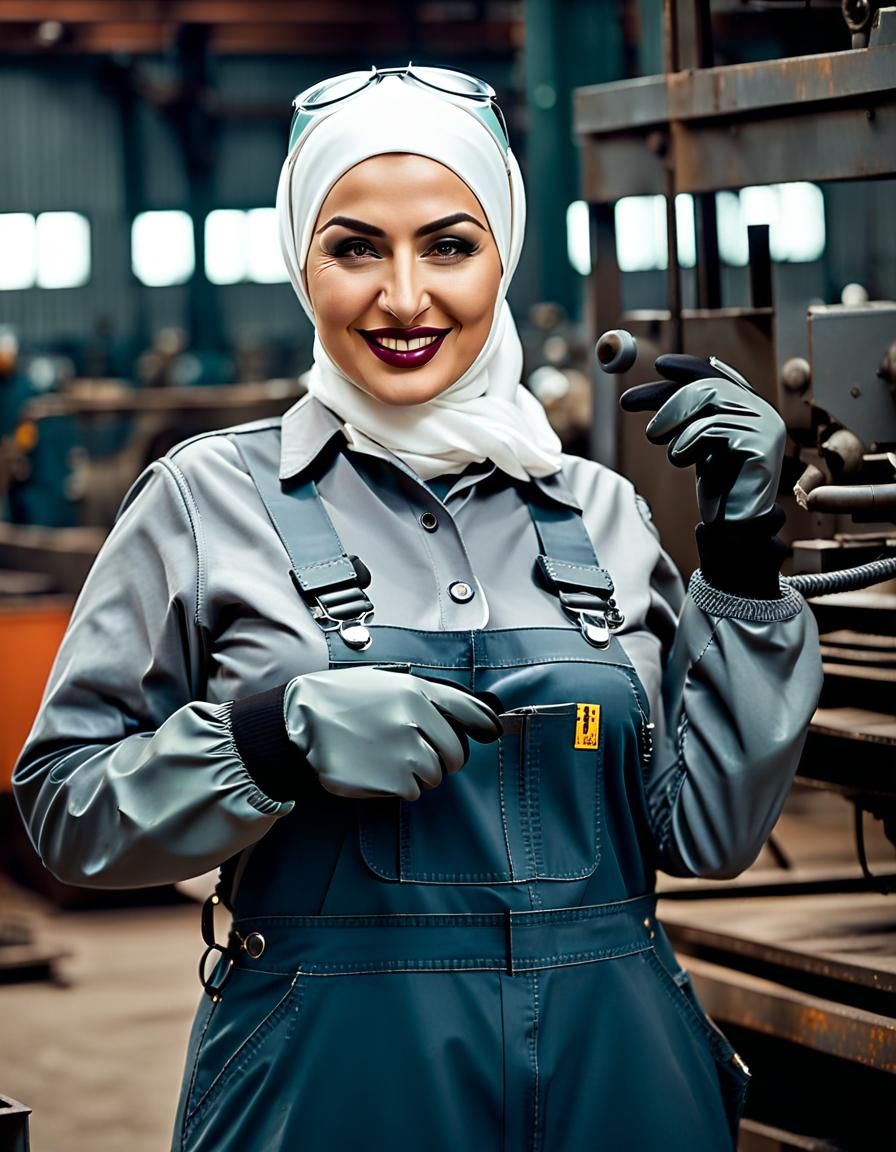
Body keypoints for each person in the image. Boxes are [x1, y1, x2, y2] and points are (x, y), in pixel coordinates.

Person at [13, 66, 823, 1152]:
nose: (403, 298)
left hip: (621, 1081)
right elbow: (66, 811)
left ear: (502, 255)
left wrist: (737, 562)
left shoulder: (599, 514)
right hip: (335, 1094)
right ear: (303, 265)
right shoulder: (203, 503)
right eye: (355, 248)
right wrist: (269, 741)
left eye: (448, 244)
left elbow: (707, 832)